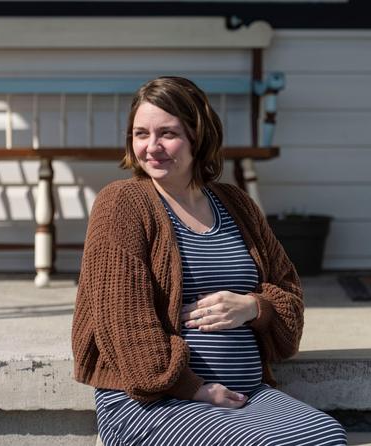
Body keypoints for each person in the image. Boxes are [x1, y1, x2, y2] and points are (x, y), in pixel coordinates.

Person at [71, 76, 347, 445]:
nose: (151, 147)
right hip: (153, 400)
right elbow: (122, 322)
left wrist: (254, 307)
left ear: (199, 136)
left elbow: (289, 297)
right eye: (140, 134)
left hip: (244, 397)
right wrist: (194, 388)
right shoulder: (122, 203)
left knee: (324, 433)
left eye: (167, 133)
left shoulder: (236, 204)